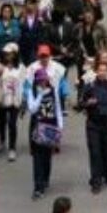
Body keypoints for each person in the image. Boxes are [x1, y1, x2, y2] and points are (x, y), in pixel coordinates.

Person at [82, 60, 107, 193]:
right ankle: (95, 180)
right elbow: (81, 103)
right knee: (95, 152)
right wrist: (88, 103)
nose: (102, 72)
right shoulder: (90, 86)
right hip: (94, 124)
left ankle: (106, 174)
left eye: (105, 70)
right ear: (96, 71)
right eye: (100, 70)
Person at [28, 68, 64, 199]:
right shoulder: (32, 92)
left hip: (50, 127)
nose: (42, 82)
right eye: (40, 80)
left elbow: (58, 110)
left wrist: (60, 127)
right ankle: (38, 186)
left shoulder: (54, 92)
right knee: (37, 158)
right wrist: (40, 95)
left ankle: (45, 179)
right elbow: (32, 109)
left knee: (46, 157)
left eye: (44, 80)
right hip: (38, 128)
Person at [0, 43, 26, 161]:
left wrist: (23, 102)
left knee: (12, 124)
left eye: (10, 53)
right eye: (6, 53)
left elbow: (24, 85)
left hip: (15, 100)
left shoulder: (21, 68)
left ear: (15, 54)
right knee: (2, 121)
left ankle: (12, 148)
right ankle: (2, 141)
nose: (7, 56)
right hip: (2, 99)